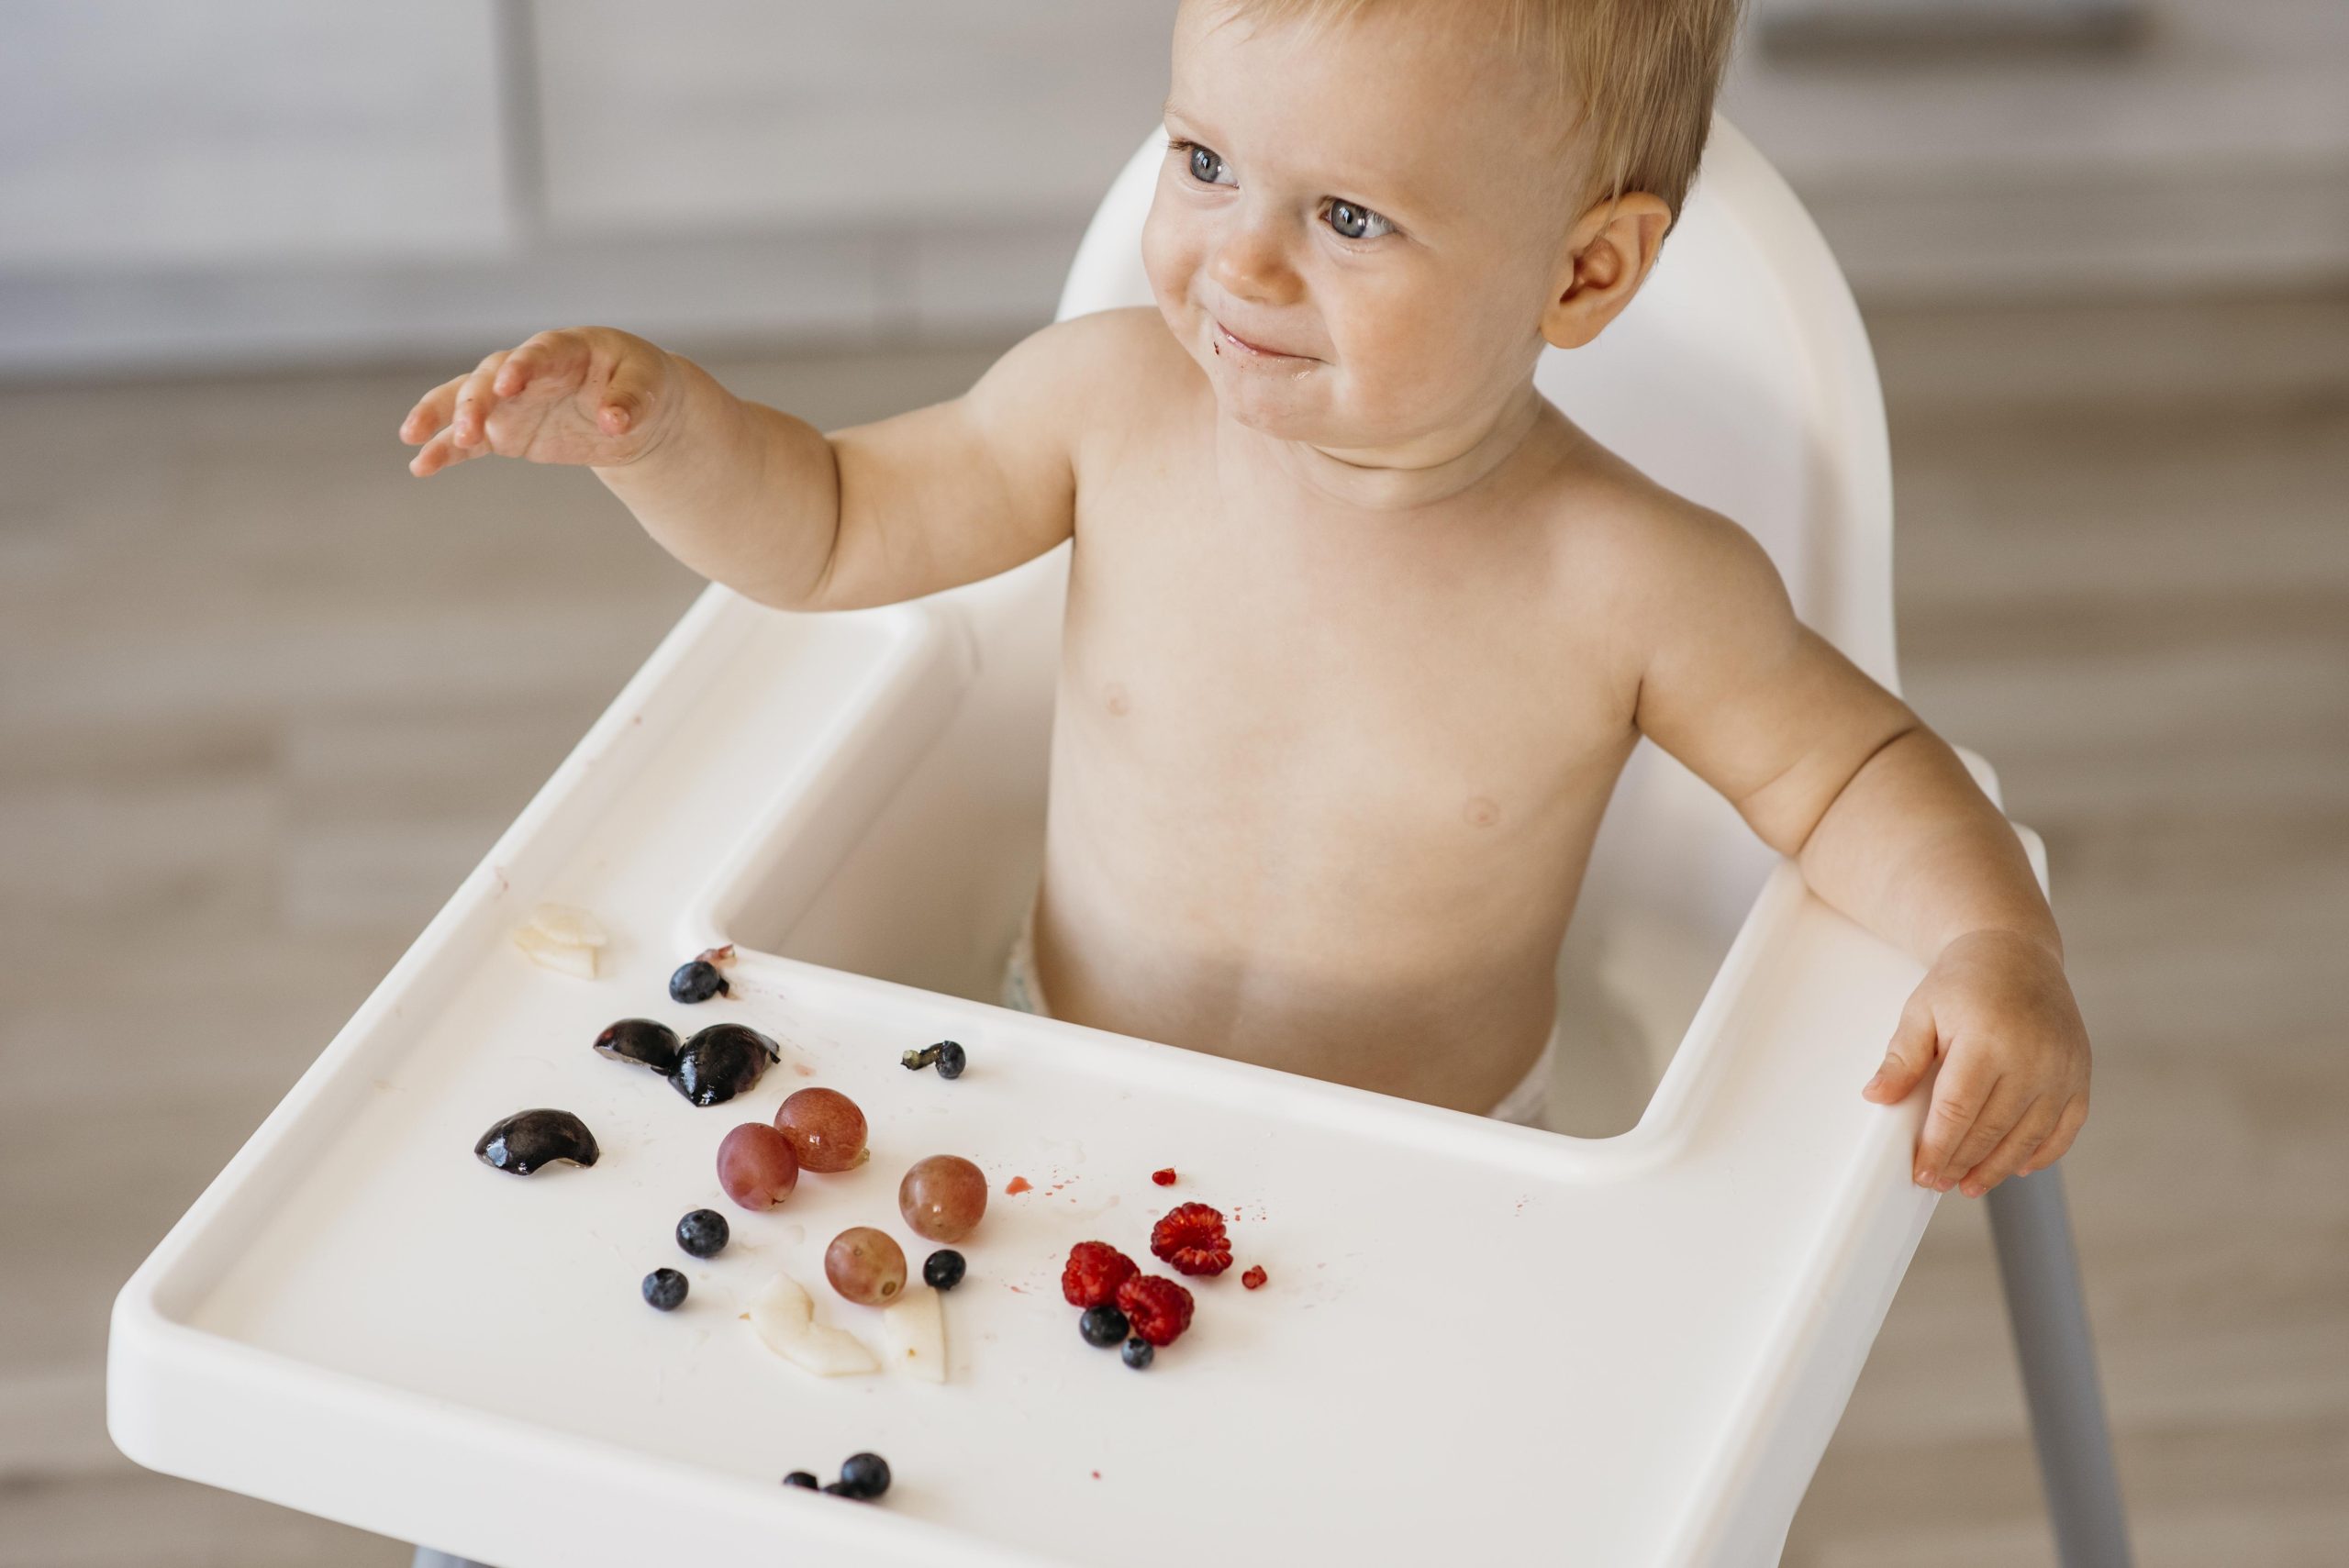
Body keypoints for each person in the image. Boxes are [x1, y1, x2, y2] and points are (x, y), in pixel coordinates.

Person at [399, 0, 2089, 1197]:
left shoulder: (1630, 576)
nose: (1244, 259)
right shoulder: (1108, 409)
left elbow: (1855, 771)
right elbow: (831, 525)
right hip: (1047, 1071)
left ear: (1584, 273)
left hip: (1431, 1174)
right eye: (1203, 159)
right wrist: (671, 430)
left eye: (1349, 216)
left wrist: (1989, 941)